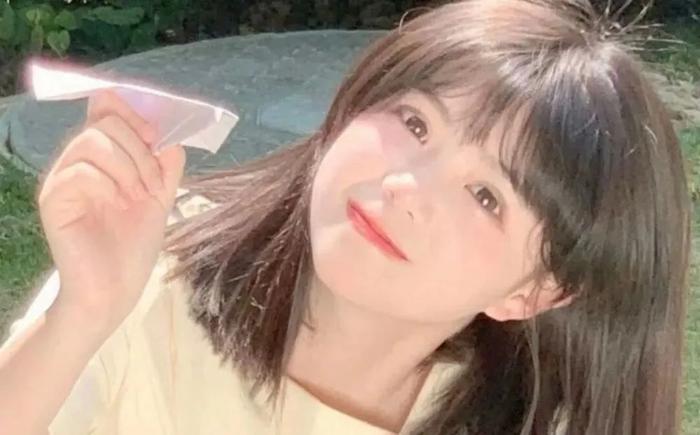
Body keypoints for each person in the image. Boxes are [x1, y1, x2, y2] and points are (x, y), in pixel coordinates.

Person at [0, 0, 691, 434]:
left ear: (532, 292)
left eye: (487, 196)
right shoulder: (150, 277)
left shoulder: (526, 418)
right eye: (414, 123)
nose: (405, 185)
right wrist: (81, 314)